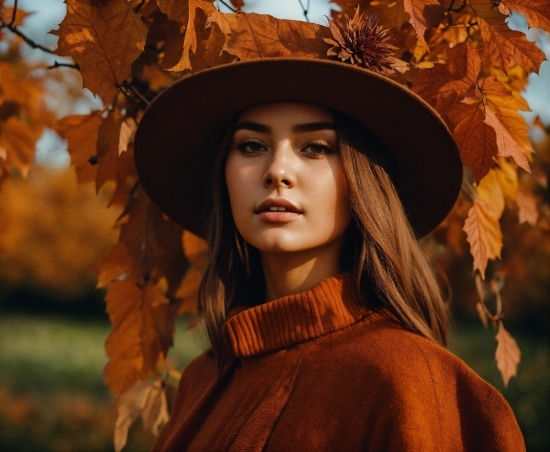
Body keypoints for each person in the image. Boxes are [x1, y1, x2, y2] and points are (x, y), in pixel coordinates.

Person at [134, 57, 525, 451]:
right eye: (251, 145)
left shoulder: (409, 381)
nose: (277, 170)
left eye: (316, 147)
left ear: (363, 179)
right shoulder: (201, 379)